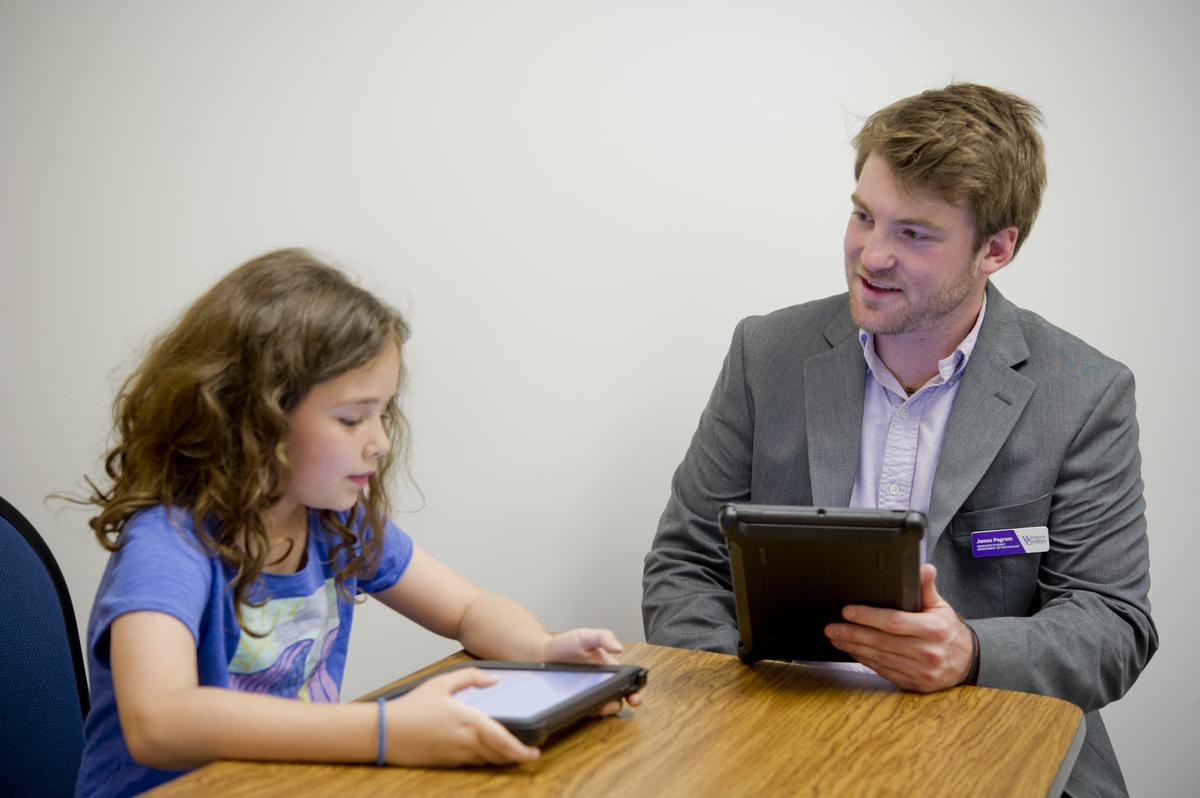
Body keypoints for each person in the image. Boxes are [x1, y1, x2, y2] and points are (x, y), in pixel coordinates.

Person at [641, 83, 1156, 797]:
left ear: (996, 248)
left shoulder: (1084, 391)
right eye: (862, 216)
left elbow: (1113, 624)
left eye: (913, 233)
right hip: (779, 740)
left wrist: (971, 652)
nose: (870, 255)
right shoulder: (767, 353)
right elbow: (685, 566)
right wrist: (749, 709)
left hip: (994, 742)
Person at [73, 249, 639, 798]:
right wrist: (387, 731)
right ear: (252, 415)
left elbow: (469, 610)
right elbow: (159, 721)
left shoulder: (336, 525)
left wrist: (542, 650)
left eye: (382, 414)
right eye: (351, 419)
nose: (381, 442)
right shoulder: (171, 543)